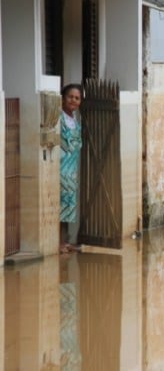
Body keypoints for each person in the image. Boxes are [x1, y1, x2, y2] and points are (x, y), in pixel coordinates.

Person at [59, 84, 83, 254]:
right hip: (60, 168)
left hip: (71, 170)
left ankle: (65, 242)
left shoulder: (74, 119)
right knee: (60, 205)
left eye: (77, 98)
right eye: (70, 97)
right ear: (63, 98)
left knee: (68, 205)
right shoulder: (59, 118)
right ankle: (59, 243)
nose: (73, 100)